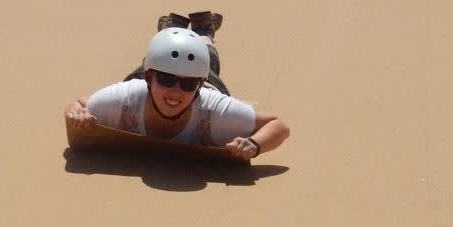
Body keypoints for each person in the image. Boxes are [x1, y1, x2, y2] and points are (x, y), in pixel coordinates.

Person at [64, 26, 290, 162]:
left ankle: (204, 33)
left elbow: (278, 125)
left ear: (198, 85)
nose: (176, 91)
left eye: (188, 84)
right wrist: (77, 115)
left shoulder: (217, 112)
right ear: (150, 78)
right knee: (167, 54)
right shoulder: (123, 99)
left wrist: (254, 144)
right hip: (143, 78)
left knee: (203, 57)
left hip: (209, 85)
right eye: (166, 80)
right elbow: (76, 104)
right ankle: (170, 29)